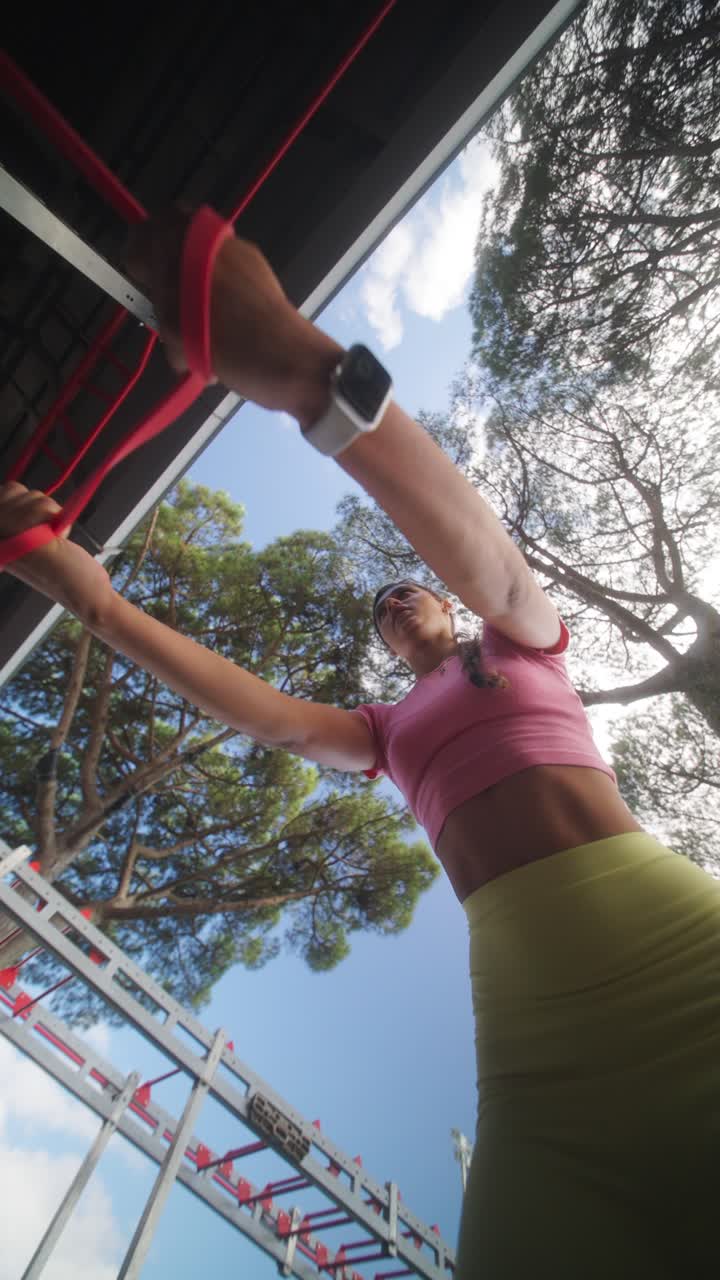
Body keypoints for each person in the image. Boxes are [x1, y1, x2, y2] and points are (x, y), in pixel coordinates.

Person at [1, 214, 718, 1278]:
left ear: (444, 607)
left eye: (406, 590)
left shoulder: (523, 647)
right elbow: (276, 718)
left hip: (688, 968)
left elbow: (497, 569)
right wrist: (96, 601)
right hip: (535, 1065)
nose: (394, 604)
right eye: (380, 610)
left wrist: (310, 375)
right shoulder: (384, 731)